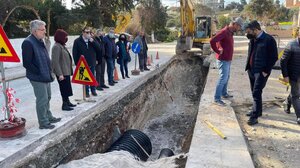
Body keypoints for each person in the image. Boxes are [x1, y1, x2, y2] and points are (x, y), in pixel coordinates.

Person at [22, 20, 61, 129]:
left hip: (45, 75)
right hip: (38, 77)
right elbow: (27, 63)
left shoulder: (40, 41)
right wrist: (39, 72)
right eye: (42, 30)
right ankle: (43, 123)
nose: (45, 32)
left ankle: (48, 117)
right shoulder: (28, 42)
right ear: (35, 31)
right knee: (42, 99)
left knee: (47, 97)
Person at [245, 20, 278, 125]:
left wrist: (266, 71)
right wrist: (248, 67)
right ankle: (258, 111)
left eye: (249, 31)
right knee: (255, 92)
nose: (247, 34)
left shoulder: (269, 40)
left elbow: (274, 57)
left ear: (256, 30)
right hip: (251, 70)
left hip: (261, 71)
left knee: (256, 92)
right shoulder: (253, 40)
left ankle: (254, 117)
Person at [210, 17, 244, 106]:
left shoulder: (230, 32)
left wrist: (220, 47)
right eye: (239, 27)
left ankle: (224, 94)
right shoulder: (224, 32)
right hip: (223, 59)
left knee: (226, 77)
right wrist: (217, 50)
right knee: (223, 78)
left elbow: (219, 42)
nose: (239, 29)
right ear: (235, 24)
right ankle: (217, 99)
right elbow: (213, 40)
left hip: (228, 59)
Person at [51, 29, 76, 111]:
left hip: (66, 71)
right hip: (62, 72)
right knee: (64, 89)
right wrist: (59, 74)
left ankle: (67, 102)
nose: (66, 38)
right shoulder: (56, 47)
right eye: (65, 37)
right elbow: (55, 61)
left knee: (67, 88)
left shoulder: (61, 46)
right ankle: (64, 105)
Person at [72, 27, 101, 97]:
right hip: (83, 63)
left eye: (89, 32)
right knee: (85, 78)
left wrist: (92, 41)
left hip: (92, 61)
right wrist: (77, 63)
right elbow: (74, 53)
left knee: (92, 76)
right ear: (83, 32)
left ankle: (93, 90)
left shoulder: (92, 40)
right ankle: (86, 92)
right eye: (87, 32)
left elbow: (98, 49)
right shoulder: (77, 41)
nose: (88, 34)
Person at [280, 36, 300, 125]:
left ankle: (287, 103)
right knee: (296, 95)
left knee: (295, 93)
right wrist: (285, 75)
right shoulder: (291, 44)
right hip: (294, 76)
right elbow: (283, 61)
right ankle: (299, 116)